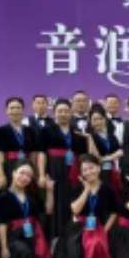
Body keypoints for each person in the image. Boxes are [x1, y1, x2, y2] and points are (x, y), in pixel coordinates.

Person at [0, 161, 57, 258]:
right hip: (13, 235)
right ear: (13, 173)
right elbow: (2, 224)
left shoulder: (32, 195)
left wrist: (50, 191)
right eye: (22, 173)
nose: (25, 177)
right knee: (23, 250)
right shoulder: (3, 196)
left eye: (29, 175)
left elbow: (48, 210)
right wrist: (4, 247)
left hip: (32, 234)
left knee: (37, 249)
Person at [38, 98, 88, 241]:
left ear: (71, 113)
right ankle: (55, 238)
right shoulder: (46, 130)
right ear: (54, 113)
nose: (63, 114)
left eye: (66, 111)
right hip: (54, 170)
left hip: (73, 172)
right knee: (55, 203)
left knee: (71, 201)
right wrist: (41, 174)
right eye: (60, 111)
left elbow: (83, 155)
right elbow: (42, 154)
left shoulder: (77, 132)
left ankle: (72, 237)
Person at [57, 154, 117, 258]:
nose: (89, 172)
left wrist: (105, 229)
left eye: (91, 168)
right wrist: (86, 190)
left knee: (96, 243)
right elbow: (75, 210)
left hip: (97, 226)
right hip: (78, 225)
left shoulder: (107, 188)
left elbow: (114, 212)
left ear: (98, 168)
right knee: (84, 244)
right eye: (85, 170)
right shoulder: (77, 187)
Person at [0, 96, 39, 189]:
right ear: (6, 111)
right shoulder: (1, 131)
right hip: (9, 166)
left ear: (23, 110)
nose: (15, 111)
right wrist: (1, 174)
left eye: (18, 108)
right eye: (12, 108)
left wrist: (35, 171)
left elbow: (34, 154)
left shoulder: (30, 131)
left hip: (27, 168)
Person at [85, 104, 124, 194]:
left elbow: (121, 151)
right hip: (97, 172)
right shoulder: (89, 136)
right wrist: (112, 156)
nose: (98, 122)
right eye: (95, 119)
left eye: (100, 118)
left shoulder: (111, 135)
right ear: (90, 121)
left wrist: (107, 158)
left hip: (113, 171)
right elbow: (94, 157)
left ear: (105, 119)